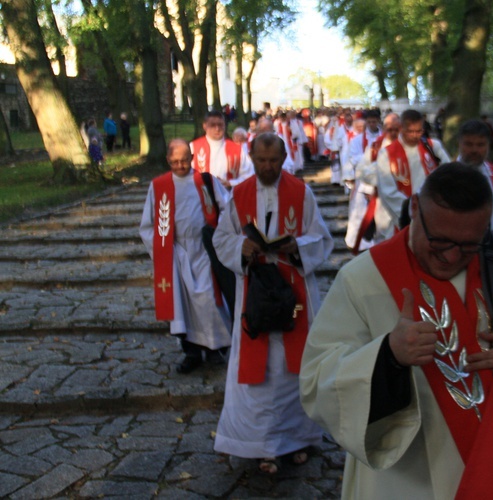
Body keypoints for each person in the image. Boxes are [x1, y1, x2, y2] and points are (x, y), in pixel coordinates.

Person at [300, 163, 493, 499]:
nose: (450, 257)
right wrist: (388, 356)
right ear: (415, 207)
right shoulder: (363, 278)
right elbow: (318, 381)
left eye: (468, 246)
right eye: (439, 241)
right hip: (408, 479)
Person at [212, 132, 334, 474]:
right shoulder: (238, 195)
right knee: (260, 375)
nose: (267, 167)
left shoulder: (301, 192)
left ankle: (299, 439)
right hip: (255, 291)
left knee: (293, 371)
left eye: (274, 161)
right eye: (261, 161)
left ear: (284, 159)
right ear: (252, 158)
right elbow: (222, 238)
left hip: (293, 290)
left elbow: (321, 237)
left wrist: (299, 246)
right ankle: (261, 444)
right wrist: (241, 248)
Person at [139, 139, 232, 374]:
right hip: (176, 252)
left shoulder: (205, 181)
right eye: (174, 161)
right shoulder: (159, 186)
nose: (180, 165)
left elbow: (228, 209)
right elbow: (148, 224)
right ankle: (191, 352)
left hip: (204, 249)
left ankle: (214, 348)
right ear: (168, 160)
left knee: (208, 299)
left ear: (192, 158)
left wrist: (220, 236)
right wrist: (161, 250)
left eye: (184, 160)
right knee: (183, 305)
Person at [375, 109, 451, 239]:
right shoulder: (386, 154)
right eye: (410, 131)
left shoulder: (433, 147)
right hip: (405, 218)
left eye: (419, 131)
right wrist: (412, 212)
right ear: (401, 128)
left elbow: (449, 174)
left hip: (434, 215)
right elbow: (387, 192)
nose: (415, 135)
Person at [456, 119, 493, 228]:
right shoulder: (442, 177)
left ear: (488, 145)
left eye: (480, 145)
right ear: (459, 143)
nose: (474, 150)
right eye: (469, 144)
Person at [344, 110, 383, 252]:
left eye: (375, 121)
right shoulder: (357, 140)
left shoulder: (385, 138)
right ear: (366, 122)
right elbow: (353, 158)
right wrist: (371, 157)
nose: (372, 124)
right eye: (370, 121)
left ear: (379, 121)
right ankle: (358, 244)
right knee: (359, 213)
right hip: (362, 183)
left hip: (381, 182)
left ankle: (377, 244)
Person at [190, 110, 253, 189]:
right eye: (212, 125)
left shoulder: (237, 149)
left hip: (229, 196)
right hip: (201, 196)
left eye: (220, 125)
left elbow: (250, 174)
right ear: (205, 126)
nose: (217, 129)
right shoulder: (193, 147)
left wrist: (231, 183)